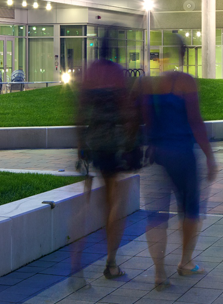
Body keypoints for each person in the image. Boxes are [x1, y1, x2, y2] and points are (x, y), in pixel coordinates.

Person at [142, 43, 217, 289]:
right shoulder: (185, 82)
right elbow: (195, 122)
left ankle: (159, 272)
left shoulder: (148, 84)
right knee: (190, 209)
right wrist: (209, 155)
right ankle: (185, 262)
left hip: (154, 156)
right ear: (183, 55)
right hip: (182, 155)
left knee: (156, 214)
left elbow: (143, 119)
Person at [71, 52, 135, 282]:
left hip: (93, 142)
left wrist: (80, 144)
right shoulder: (117, 72)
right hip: (112, 143)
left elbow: (80, 113)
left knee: (90, 199)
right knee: (115, 199)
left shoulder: (91, 72)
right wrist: (130, 142)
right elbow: (128, 111)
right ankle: (111, 262)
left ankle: (76, 262)